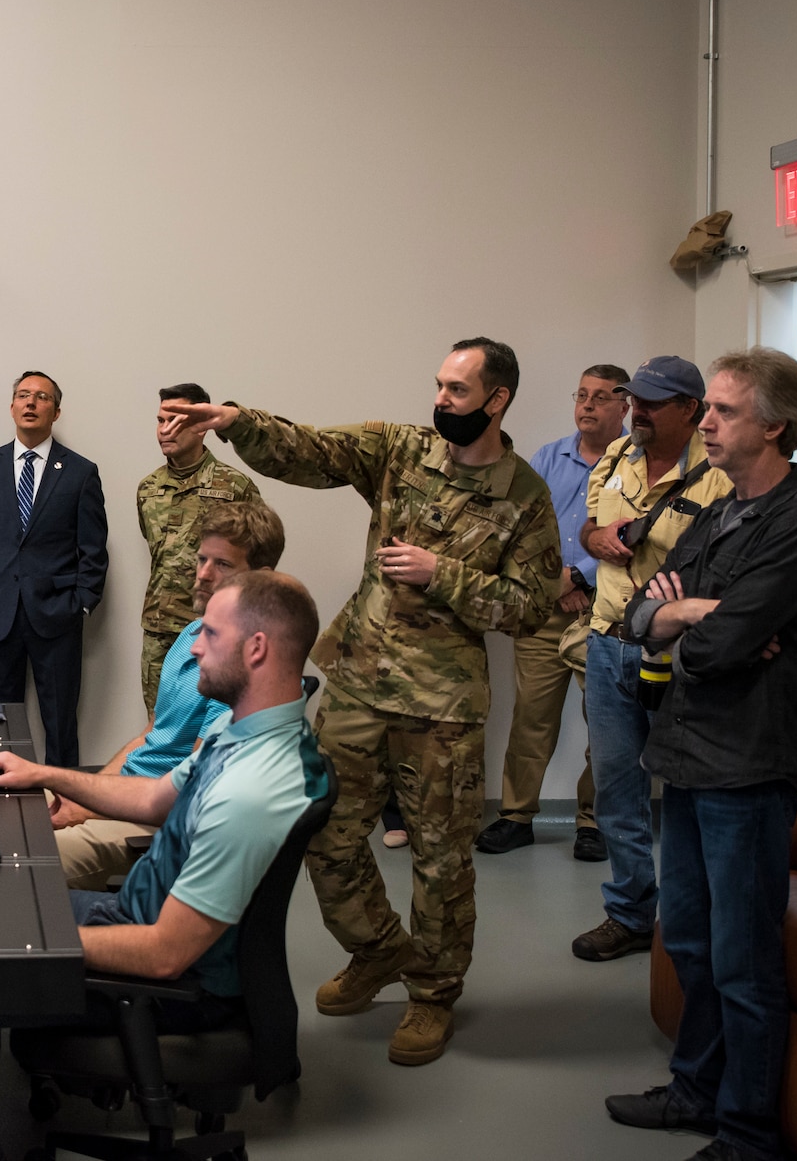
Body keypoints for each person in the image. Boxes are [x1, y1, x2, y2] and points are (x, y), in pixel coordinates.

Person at [163, 337, 562, 1066]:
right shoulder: (400, 450)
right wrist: (236, 422)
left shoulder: (525, 498)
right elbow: (309, 452)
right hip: (357, 684)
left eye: (459, 390)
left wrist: (444, 573)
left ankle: (434, 993)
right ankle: (378, 949)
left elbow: (533, 607)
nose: (441, 399)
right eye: (439, 384)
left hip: (443, 707)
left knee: (442, 861)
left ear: (497, 400)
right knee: (323, 834)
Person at [0, 572, 332, 1161]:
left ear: (257, 649)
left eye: (210, 632)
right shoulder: (243, 726)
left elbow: (165, 954)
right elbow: (152, 798)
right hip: (133, 913)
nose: (194, 645)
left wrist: (37, 940)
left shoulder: (253, 791)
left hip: (169, 984)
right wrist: (45, 775)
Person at [606, 347, 797, 1161]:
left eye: (724, 411)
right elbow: (639, 614)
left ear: (776, 425)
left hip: (748, 767)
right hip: (690, 756)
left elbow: (722, 647)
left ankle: (748, 1133)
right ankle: (696, 1091)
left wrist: (693, 623)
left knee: (743, 960)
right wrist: (684, 615)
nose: (705, 420)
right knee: (695, 944)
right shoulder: (718, 510)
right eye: (707, 410)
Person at [570, 357, 733, 962]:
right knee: (617, 787)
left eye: (653, 403)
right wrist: (596, 540)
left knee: (689, 787)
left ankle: (696, 920)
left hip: (678, 652)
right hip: (607, 640)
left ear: (691, 410)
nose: (638, 410)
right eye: (634, 400)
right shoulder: (616, 458)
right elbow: (589, 526)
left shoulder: (719, 474)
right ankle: (632, 912)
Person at [56, 500, 286, 887]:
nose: (203, 575)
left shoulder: (242, 668)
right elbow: (148, 737)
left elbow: (189, 790)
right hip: (125, 796)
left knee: (22, 860)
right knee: (4, 804)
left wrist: (91, 807)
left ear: (261, 578)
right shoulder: (191, 635)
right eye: (202, 560)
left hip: (152, 823)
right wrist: (90, 795)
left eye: (223, 565)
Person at [476, 364, 628, 860]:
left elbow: (633, 534)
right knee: (531, 718)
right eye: (581, 395)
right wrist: (555, 582)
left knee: (606, 724)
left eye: (601, 397)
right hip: (544, 609)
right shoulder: (548, 456)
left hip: (606, 612)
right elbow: (523, 526)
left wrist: (579, 576)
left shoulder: (635, 464)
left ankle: (594, 822)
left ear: (624, 406)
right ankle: (516, 817)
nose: (587, 405)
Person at [0, 372, 109, 767]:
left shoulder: (79, 472)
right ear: (11, 407)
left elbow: (93, 549)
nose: (30, 403)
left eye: (41, 397)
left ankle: (65, 800)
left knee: (59, 720)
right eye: (23, 395)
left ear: (55, 411)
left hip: (57, 615)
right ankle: (2, 800)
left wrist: (82, 605)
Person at [136, 383, 261, 717]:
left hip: (215, 629)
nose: (164, 430)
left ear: (202, 425)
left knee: (213, 729)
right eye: (160, 421)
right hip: (160, 631)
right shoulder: (148, 489)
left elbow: (254, 565)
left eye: (175, 421)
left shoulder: (235, 487)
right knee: (159, 728)